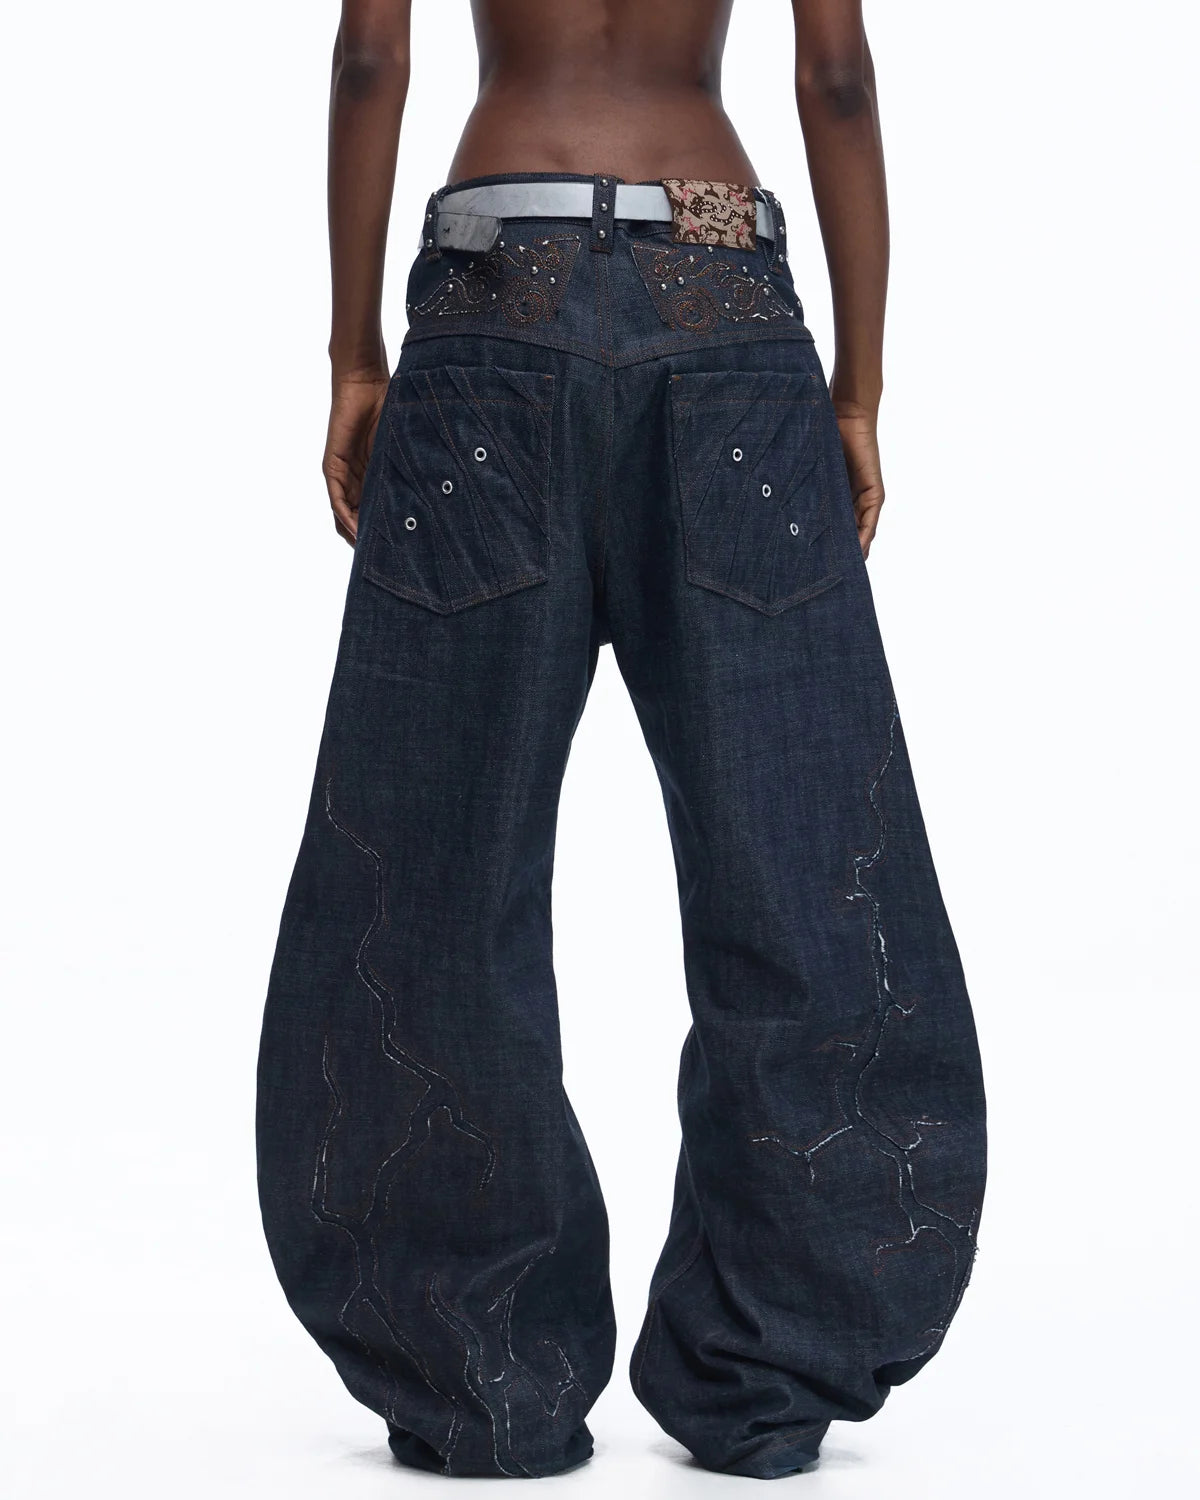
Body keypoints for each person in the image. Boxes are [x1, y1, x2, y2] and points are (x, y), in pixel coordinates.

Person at [255, 0, 988, 1480]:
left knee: (432, 868)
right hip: (722, 295)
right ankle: (773, 1365)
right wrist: (857, 387)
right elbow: (837, 77)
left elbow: (370, 57)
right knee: (803, 852)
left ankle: (476, 1376)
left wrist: (353, 356)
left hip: (492, 297)